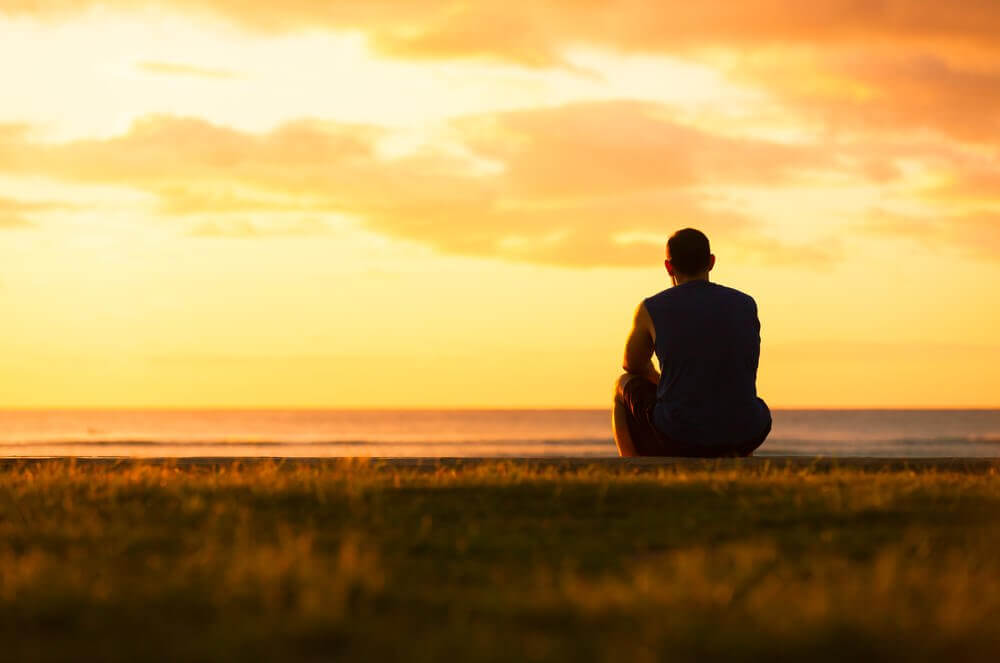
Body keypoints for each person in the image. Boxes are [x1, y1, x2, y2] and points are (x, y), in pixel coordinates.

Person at [612, 228, 771, 457]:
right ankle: (736, 460)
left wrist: (659, 381)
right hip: (748, 431)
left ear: (669, 267)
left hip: (680, 435)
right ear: (711, 262)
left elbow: (631, 364)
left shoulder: (651, 308)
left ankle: (630, 468)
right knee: (739, 402)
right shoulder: (746, 304)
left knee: (622, 383)